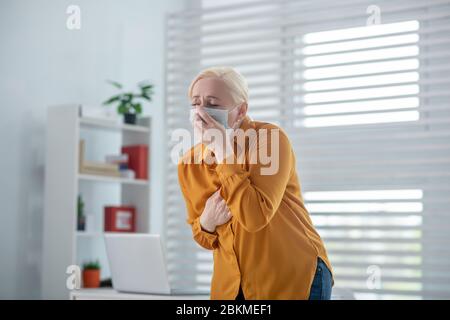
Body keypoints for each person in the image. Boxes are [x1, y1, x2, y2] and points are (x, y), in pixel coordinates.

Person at [177, 66, 333, 300]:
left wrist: (222, 150)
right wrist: (207, 222)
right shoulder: (189, 163)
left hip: (293, 277)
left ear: (240, 111)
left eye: (212, 104)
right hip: (230, 288)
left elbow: (254, 217)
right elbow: (203, 237)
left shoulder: (269, 140)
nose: (200, 112)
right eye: (195, 103)